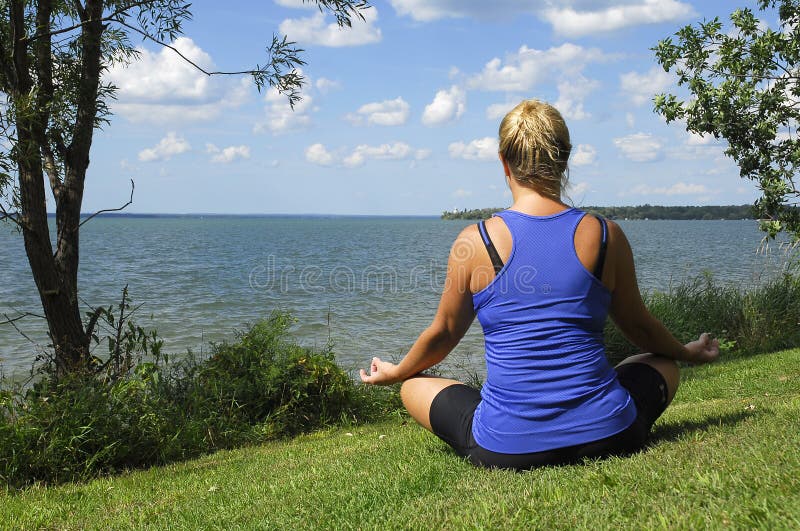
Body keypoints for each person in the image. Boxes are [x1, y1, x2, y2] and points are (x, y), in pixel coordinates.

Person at [360, 99, 720, 470]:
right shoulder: (605, 235)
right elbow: (640, 327)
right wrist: (686, 352)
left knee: (412, 387)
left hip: (507, 448)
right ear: (566, 158)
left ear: (504, 162)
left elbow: (444, 333)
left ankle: (503, 420)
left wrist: (397, 371)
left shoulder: (475, 241)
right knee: (663, 364)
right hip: (611, 433)